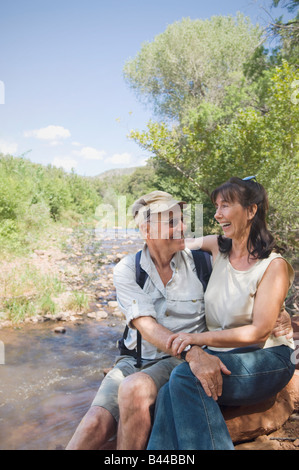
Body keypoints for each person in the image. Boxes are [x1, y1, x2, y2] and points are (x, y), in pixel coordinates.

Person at [66, 187, 292, 450]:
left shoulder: (202, 259)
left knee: (136, 389)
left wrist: (280, 309)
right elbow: (146, 326)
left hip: (176, 359)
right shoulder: (128, 269)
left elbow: (246, 283)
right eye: (172, 222)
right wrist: (192, 353)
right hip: (139, 358)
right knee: (94, 422)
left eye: (182, 219)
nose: (184, 227)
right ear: (147, 233)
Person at [147, 177, 295, 450]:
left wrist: (197, 339)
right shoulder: (218, 247)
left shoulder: (272, 265)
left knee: (185, 377)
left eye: (225, 206)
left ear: (251, 211)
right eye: (216, 206)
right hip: (228, 356)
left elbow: (259, 331)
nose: (217, 214)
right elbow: (173, 244)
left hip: (268, 357)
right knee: (168, 391)